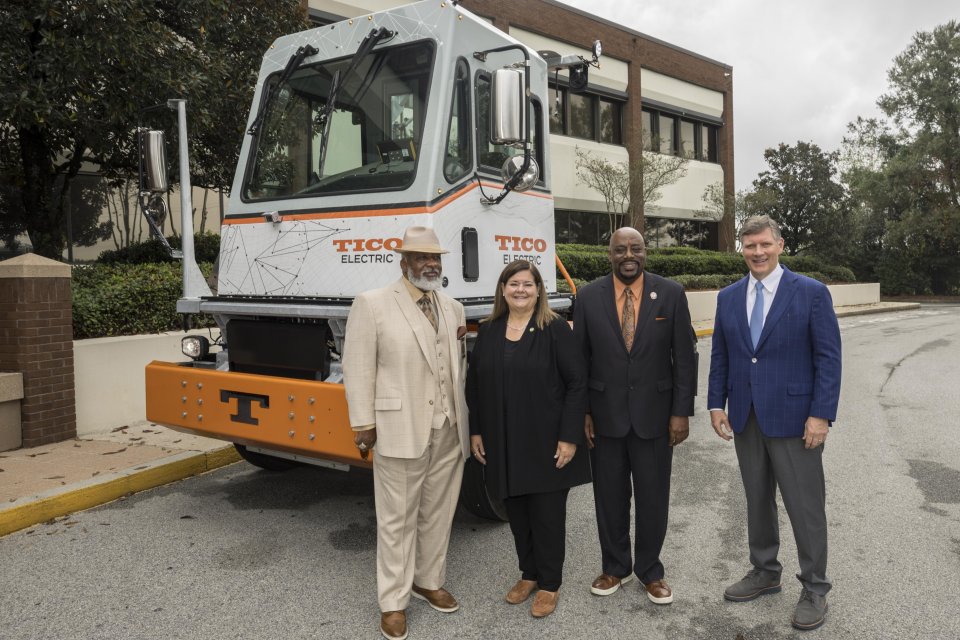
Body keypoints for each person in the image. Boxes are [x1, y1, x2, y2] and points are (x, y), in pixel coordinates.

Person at [707, 215, 841, 631]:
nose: (758, 253)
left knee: (804, 506)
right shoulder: (728, 297)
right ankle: (765, 571)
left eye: (765, 244)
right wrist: (716, 404)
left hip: (795, 418)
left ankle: (815, 586)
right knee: (756, 499)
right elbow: (722, 356)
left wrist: (821, 414)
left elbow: (828, 358)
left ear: (780, 245)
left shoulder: (811, 293)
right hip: (745, 417)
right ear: (742, 249)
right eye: (750, 246)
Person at [342, 225, 469, 640]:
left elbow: (456, 368)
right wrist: (362, 423)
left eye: (434, 258)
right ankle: (393, 601)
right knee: (396, 520)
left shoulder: (453, 307)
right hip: (400, 427)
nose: (430, 264)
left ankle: (427, 580)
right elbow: (358, 366)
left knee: (438, 511)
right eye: (421, 258)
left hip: (449, 428)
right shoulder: (373, 303)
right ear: (404, 262)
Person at [572, 227, 697, 605]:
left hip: (656, 418)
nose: (629, 255)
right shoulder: (588, 296)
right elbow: (579, 362)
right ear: (609, 254)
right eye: (620, 249)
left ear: (645, 252)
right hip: (605, 417)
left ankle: (650, 571)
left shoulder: (671, 293)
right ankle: (615, 567)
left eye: (636, 248)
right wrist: (584, 412)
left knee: (653, 496)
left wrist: (681, 412)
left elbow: (685, 359)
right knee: (609, 497)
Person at [466, 260, 590, 618]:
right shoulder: (489, 330)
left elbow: (577, 384)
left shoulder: (554, 329)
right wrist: (476, 430)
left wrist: (569, 438)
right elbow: (473, 385)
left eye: (528, 284)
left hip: (547, 440)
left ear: (539, 290)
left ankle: (550, 584)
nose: (520, 290)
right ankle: (529, 574)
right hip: (502, 440)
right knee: (517, 513)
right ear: (502, 289)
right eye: (513, 283)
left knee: (547, 515)